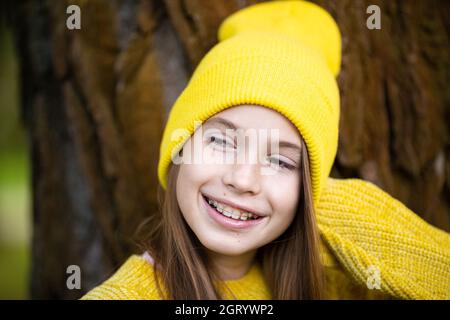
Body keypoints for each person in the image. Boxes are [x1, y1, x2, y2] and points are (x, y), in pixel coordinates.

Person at [81, 0, 450, 300]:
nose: (243, 180)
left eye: (279, 161)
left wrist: (347, 210)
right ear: (180, 148)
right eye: (221, 141)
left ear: (308, 187)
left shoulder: (334, 281)